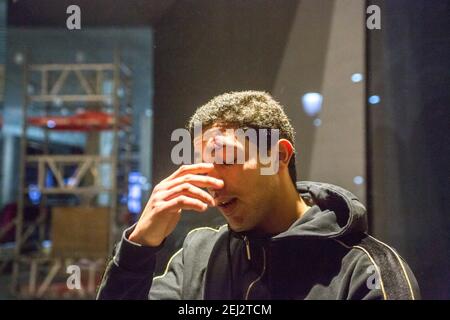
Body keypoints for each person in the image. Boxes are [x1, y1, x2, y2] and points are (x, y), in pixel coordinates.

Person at [97, 91, 420, 300]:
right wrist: (140, 245)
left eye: (225, 159)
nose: (212, 182)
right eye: (203, 166)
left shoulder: (365, 270)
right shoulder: (200, 257)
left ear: (278, 156)